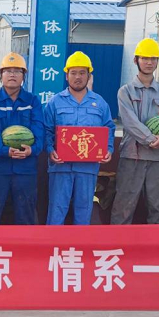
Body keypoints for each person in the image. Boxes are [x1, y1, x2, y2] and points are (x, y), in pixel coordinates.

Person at [110, 39, 159, 224]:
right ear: (136, 60)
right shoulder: (126, 91)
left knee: (157, 207)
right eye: (145, 58)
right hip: (132, 156)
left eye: (153, 58)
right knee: (124, 206)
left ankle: (154, 243)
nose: (149, 62)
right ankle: (117, 241)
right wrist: (151, 140)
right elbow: (130, 122)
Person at [44, 51, 116, 225]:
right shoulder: (55, 102)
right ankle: (52, 242)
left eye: (82, 73)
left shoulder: (100, 103)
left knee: (84, 211)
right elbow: (46, 130)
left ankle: (80, 243)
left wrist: (108, 149)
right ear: (66, 75)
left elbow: (109, 128)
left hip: (87, 168)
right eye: (73, 73)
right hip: (60, 167)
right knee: (56, 211)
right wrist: (50, 150)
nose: (78, 77)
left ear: (89, 76)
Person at [0, 52, 44, 225]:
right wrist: (5, 151)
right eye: (8, 71)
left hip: (25, 169)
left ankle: (24, 244)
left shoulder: (33, 101)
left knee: (25, 217)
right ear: (1, 75)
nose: (12, 74)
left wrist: (32, 150)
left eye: (17, 71)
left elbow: (39, 131)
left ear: (23, 76)